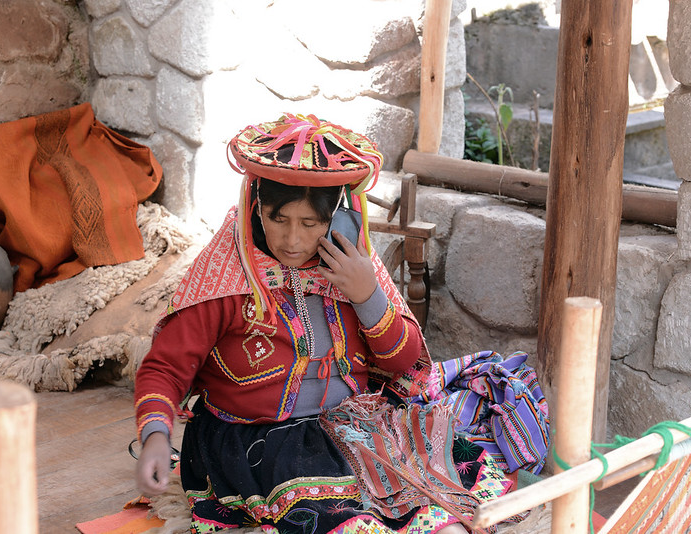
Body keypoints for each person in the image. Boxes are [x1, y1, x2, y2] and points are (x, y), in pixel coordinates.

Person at [133, 114, 537, 534]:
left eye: (310, 224)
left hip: (351, 426)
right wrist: (157, 436)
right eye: (278, 219)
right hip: (258, 440)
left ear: (337, 221)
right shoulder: (227, 281)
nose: (292, 240)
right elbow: (165, 368)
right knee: (349, 521)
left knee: (439, 503)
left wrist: (367, 295)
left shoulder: (351, 268)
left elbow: (404, 364)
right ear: (255, 210)